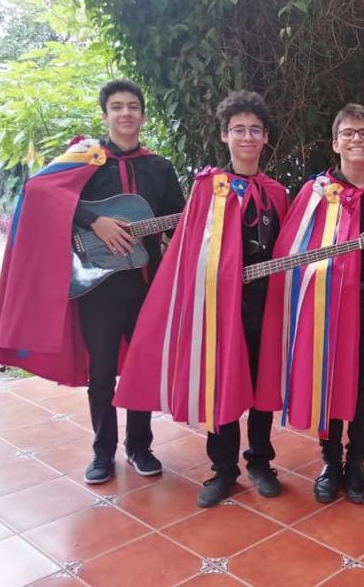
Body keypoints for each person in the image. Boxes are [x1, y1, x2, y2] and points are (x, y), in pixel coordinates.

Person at [0, 79, 186, 485]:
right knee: (101, 374)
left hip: (146, 286)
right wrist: (95, 220)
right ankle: (102, 452)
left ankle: (140, 447)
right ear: (105, 115)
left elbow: (179, 220)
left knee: (140, 370)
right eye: (117, 107)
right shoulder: (87, 159)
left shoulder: (159, 167)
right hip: (98, 287)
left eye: (133, 106)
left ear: (143, 116)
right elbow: (40, 191)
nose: (126, 113)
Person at [113, 90, 289, 507]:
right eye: (239, 130)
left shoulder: (278, 193)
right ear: (225, 135)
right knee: (219, 383)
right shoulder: (209, 188)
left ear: (265, 138)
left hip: (267, 306)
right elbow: (187, 251)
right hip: (219, 308)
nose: (247, 137)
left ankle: (260, 461)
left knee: (263, 384)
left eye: (255, 130)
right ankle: (223, 470)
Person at [254, 103, 364, 504]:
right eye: (348, 133)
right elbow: (294, 252)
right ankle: (330, 462)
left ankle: (357, 463)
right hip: (326, 304)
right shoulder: (316, 193)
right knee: (329, 383)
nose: (356, 139)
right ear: (335, 143)